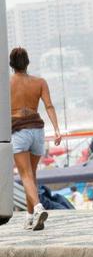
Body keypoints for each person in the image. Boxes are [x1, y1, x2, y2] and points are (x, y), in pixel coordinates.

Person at [9, 47, 62, 230]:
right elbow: (49, 106)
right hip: (38, 131)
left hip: (19, 131)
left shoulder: (5, 83)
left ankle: (38, 208)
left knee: (25, 175)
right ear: (28, 63)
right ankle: (30, 218)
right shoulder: (40, 82)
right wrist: (56, 129)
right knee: (32, 176)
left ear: (11, 64)